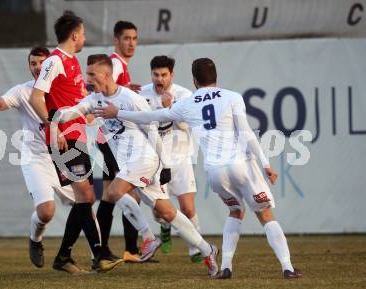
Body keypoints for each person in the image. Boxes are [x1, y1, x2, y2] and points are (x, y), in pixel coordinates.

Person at [95, 58, 304, 279]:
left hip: (215, 172)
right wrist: (266, 164)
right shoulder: (232, 97)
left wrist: (118, 112)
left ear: (194, 80)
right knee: (265, 214)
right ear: (216, 77)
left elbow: (150, 117)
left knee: (235, 212)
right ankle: (287, 267)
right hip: (240, 165)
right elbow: (246, 133)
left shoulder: (187, 103)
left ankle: (225, 267)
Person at [53, 54, 220, 278]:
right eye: (87, 72)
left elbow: (152, 130)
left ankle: (149, 237)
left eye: (92, 73)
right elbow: (73, 113)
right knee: (167, 212)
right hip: (130, 165)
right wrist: (54, 118)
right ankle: (207, 250)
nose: (88, 77)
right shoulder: (94, 100)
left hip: (145, 159)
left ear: (106, 74)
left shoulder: (130, 98)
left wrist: (165, 165)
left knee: (112, 192)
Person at [28, 11, 123, 273]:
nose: (84, 38)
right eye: (82, 34)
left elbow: (77, 98)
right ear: (74, 35)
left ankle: (63, 257)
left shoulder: (71, 62)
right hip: (62, 139)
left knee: (84, 197)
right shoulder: (54, 62)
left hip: (76, 137)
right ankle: (99, 255)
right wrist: (53, 127)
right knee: (86, 194)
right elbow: (37, 97)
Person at [0, 47, 86, 272]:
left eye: (41, 63)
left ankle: (76, 256)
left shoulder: (62, 89)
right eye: (33, 63)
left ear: (51, 65)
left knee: (85, 206)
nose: (37, 67)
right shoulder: (23, 92)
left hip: (62, 157)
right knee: (47, 211)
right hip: (36, 158)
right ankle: (35, 239)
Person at [140, 55, 202, 262]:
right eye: (156, 74)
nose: (160, 79)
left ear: (171, 75)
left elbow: (187, 127)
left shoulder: (185, 95)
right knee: (161, 213)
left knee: (187, 207)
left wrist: (171, 108)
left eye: (164, 75)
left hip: (181, 157)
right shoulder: (143, 95)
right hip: (156, 161)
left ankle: (196, 248)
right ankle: (165, 228)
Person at [96, 20, 142, 263]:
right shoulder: (114, 63)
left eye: (134, 38)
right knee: (128, 191)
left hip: (108, 138)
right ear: (116, 40)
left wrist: (130, 89)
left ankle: (104, 250)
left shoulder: (120, 65)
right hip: (112, 138)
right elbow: (101, 92)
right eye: (126, 38)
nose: (131, 43)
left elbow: (116, 93)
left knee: (108, 193)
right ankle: (131, 250)